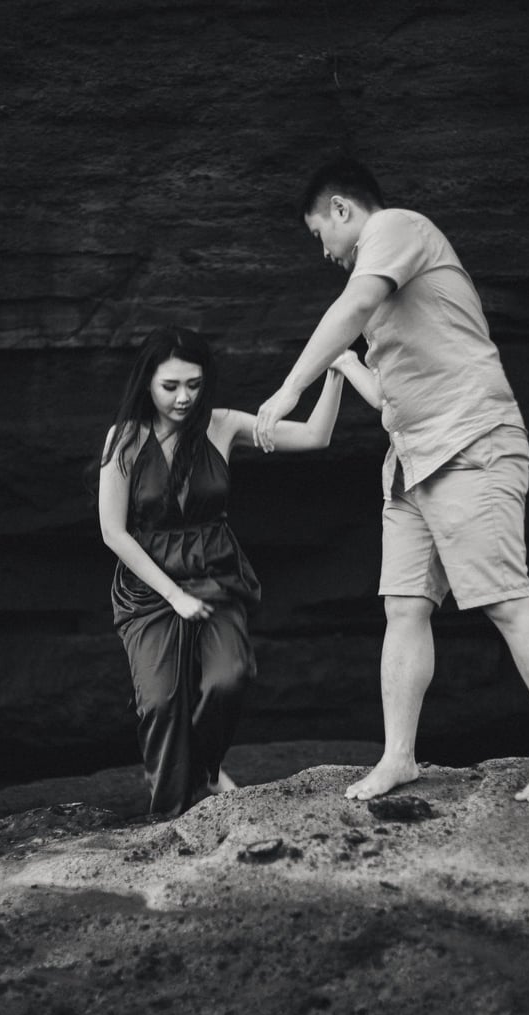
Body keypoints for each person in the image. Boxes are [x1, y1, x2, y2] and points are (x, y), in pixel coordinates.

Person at [254, 158, 529, 804]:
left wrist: (290, 387)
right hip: (412, 461)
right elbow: (387, 394)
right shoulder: (390, 292)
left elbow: (352, 305)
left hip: (469, 443)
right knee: (405, 608)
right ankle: (399, 757)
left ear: (342, 211)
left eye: (318, 234)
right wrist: (342, 367)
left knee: (504, 595)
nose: (322, 251)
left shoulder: (397, 229)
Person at [99, 325, 343, 817]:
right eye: (171, 386)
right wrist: (174, 596)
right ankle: (171, 812)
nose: (184, 397)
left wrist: (334, 371)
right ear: (147, 381)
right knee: (162, 703)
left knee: (228, 679)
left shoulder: (222, 425)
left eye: (194, 383)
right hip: (151, 586)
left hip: (215, 573)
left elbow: (316, 437)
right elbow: (114, 533)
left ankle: (206, 774)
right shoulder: (124, 439)